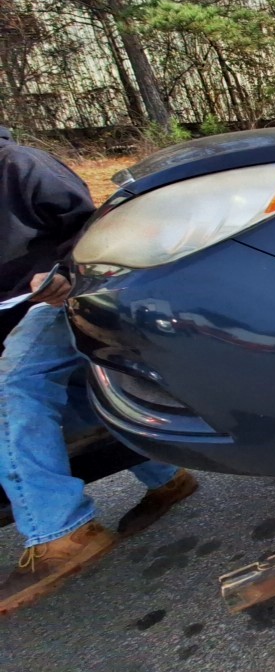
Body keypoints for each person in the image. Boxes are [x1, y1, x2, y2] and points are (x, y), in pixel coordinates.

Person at [0, 125, 198, 615]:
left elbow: (95, 229)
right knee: (73, 395)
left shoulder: (18, 166)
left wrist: (65, 273)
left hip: (55, 296)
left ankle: (60, 531)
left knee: (14, 388)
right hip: (10, 315)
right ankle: (166, 475)